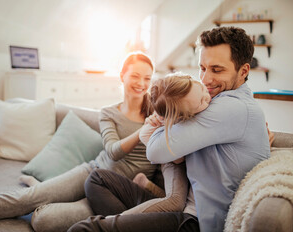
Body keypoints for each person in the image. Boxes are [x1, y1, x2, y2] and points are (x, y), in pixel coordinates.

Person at [68, 26, 271, 232]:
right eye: (202, 68)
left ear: (243, 71)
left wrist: (160, 121)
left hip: (193, 220)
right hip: (182, 206)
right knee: (98, 179)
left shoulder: (232, 107)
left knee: (84, 229)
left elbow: (156, 150)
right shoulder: (216, 101)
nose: (206, 79)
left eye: (216, 70)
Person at [0, 52, 158, 232]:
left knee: (44, 222)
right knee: (25, 199)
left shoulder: (158, 114)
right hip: (93, 171)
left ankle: (41, 188)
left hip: (111, 195)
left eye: (147, 78)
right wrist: (142, 131)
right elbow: (113, 151)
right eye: (135, 76)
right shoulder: (108, 113)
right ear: (122, 76)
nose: (141, 83)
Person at [83, 73, 211, 217]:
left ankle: (146, 188)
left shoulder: (196, 100)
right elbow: (177, 159)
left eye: (203, 90)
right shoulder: (158, 122)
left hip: (169, 151)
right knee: (175, 201)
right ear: (179, 117)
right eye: (201, 102)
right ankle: (117, 221)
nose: (207, 98)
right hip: (168, 156)